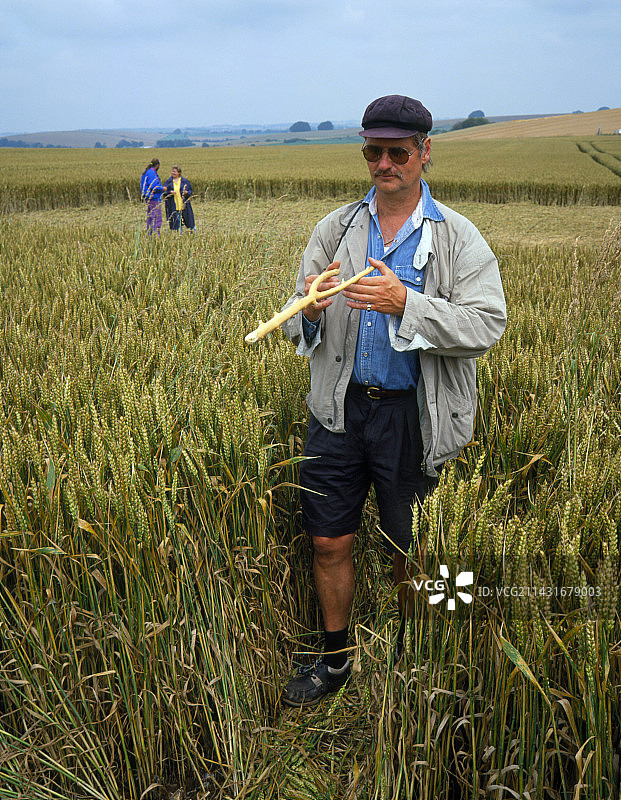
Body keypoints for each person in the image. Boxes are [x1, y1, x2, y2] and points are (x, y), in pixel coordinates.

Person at [279, 95, 506, 707]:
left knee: (415, 547)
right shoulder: (336, 230)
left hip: (415, 415)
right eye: (373, 151)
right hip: (340, 410)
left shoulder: (457, 238)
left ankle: (420, 660)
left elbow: (487, 325)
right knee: (329, 540)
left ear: (425, 153)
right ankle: (335, 660)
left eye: (397, 152)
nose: (384, 163)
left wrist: (408, 303)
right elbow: (298, 322)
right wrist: (311, 308)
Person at [163, 166, 195, 232]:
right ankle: (179, 235)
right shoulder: (168, 182)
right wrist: (170, 192)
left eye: (174, 171)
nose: (173, 173)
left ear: (179, 173)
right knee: (176, 223)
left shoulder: (184, 181)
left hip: (184, 205)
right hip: (174, 206)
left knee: (189, 221)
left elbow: (190, 191)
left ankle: (193, 233)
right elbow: (164, 192)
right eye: (172, 171)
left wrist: (187, 192)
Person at [140, 158, 165, 235]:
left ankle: (149, 234)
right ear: (157, 165)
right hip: (153, 197)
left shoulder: (146, 171)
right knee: (156, 217)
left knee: (150, 217)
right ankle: (156, 235)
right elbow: (153, 186)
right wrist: (162, 188)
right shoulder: (151, 172)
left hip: (148, 197)